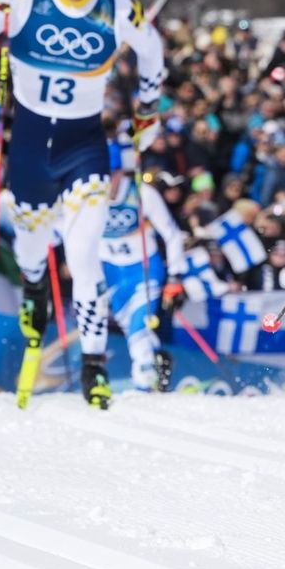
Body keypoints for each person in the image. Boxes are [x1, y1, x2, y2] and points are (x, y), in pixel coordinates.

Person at [0, 0, 166, 407]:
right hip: (30, 149)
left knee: (83, 255)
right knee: (32, 256)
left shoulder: (116, 7)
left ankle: (94, 364)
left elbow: (152, 49)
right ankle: (34, 291)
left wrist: (149, 106)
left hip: (83, 148)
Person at [99, 138, 187, 392]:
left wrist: (175, 276)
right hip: (111, 273)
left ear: (119, 171)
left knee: (140, 329)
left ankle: (143, 387)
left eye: (111, 174)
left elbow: (171, 234)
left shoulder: (141, 193)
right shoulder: (90, 196)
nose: (107, 182)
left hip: (144, 269)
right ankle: (159, 361)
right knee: (134, 333)